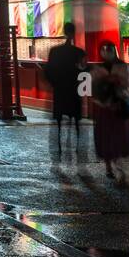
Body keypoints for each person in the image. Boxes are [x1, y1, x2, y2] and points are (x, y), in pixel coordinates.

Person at [90, 41, 129, 181]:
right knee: (106, 135)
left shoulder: (122, 65)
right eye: (104, 50)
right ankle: (108, 166)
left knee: (117, 136)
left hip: (119, 105)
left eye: (109, 49)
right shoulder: (97, 67)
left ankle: (117, 164)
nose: (106, 52)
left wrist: (112, 80)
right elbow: (94, 85)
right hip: (104, 105)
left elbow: (126, 83)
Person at [42, 23, 87, 162]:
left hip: (60, 89)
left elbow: (48, 70)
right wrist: (84, 90)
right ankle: (78, 147)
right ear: (74, 33)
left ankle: (60, 147)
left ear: (64, 32)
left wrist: (54, 83)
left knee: (60, 121)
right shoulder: (79, 52)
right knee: (76, 120)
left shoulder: (55, 51)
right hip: (74, 89)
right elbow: (84, 72)